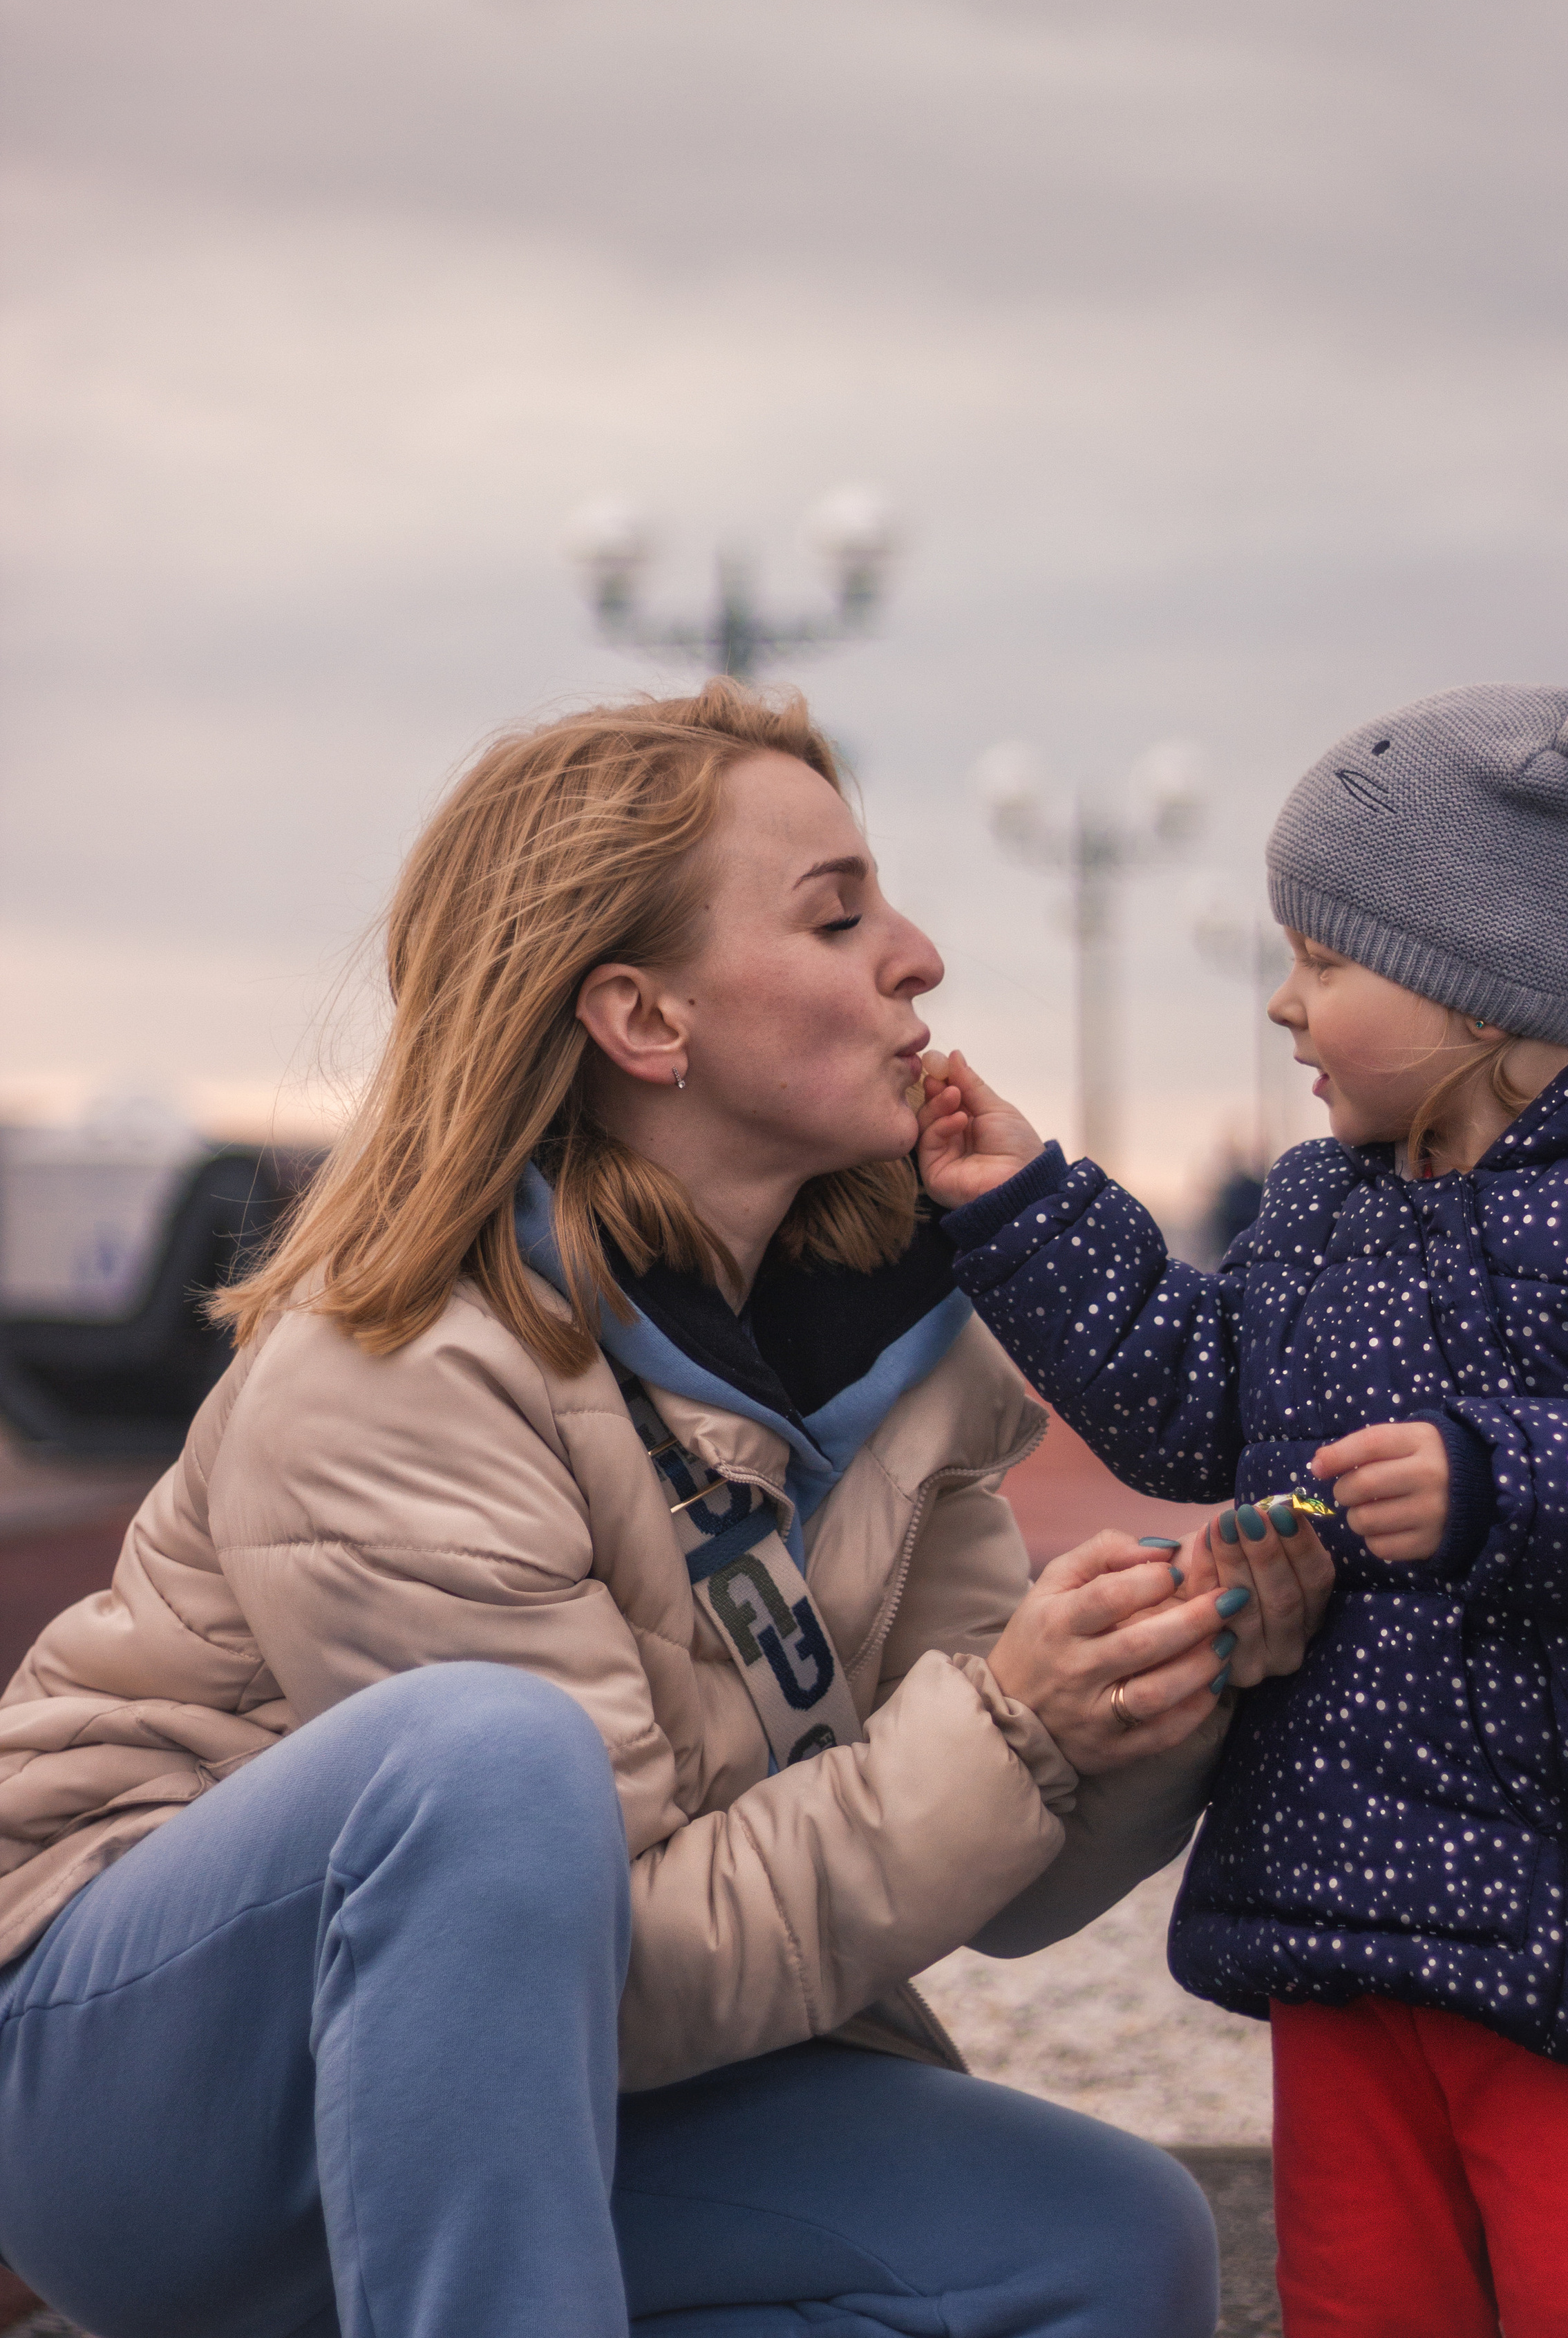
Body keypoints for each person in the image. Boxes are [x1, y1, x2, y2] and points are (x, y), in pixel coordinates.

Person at [0, 682, 1332, 2338]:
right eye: (838, 916)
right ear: (642, 1022)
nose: (916, 956)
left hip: (568, 2103)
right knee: (484, 1761)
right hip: (161, 2108)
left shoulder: (910, 1344)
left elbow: (1003, 1870)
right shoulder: (399, 1362)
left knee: (1106, 2243)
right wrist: (1005, 1726)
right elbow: (592, 1967)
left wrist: (1142, 1692)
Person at [916, 684, 1568, 2338]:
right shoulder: (1324, 1208)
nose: (1284, 1008)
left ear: (1473, 984)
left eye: (1323, 960)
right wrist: (1018, 1204)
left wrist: (1493, 1477)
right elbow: (1189, 1393)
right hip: (1345, 1904)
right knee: (1357, 2302)